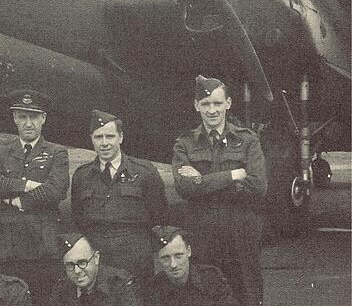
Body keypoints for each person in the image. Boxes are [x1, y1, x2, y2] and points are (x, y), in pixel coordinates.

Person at [171, 75, 267, 306]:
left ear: (229, 103)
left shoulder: (247, 140)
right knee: (204, 295)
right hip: (202, 236)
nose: (211, 110)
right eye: (205, 104)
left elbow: (258, 187)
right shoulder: (184, 144)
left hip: (241, 234)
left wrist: (202, 182)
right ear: (196, 106)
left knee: (247, 295)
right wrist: (233, 175)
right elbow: (184, 188)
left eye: (217, 103)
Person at [0, 89, 69, 305]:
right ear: (14, 118)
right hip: (10, 245)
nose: (28, 123)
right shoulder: (1, 151)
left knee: (44, 298)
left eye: (33, 117)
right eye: (22, 117)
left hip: (44, 243)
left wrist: (17, 201)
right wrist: (26, 184)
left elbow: (56, 190)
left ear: (43, 118)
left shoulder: (56, 152)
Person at [70, 109, 167, 288]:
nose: (105, 143)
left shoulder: (144, 172)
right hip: (98, 262)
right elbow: (78, 218)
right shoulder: (82, 176)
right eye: (99, 137)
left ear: (120, 137)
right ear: (91, 138)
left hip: (135, 260)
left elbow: (160, 216)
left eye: (110, 136)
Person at [147, 226, 239, 306]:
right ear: (158, 259)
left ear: (188, 251)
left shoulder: (211, 279)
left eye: (178, 256)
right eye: (166, 258)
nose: (173, 264)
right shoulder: (154, 289)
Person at [49, 233, 139, 306]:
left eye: (82, 263)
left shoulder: (121, 285)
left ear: (96, 258)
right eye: (70, 265)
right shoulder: (61, 290)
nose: (77, 271)